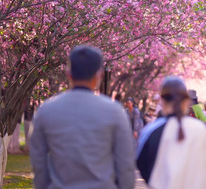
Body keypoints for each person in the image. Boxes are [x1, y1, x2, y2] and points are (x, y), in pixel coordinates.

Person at [30, 45, 135, 189]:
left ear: (68, 73)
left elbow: (39, 163)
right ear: (99, 74)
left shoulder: (46, 110)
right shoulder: (115, 112)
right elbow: (125, 165)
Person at [136, 76, 206, 189]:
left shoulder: (151, 130)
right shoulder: (202, 130)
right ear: (186, 101)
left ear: (162, 100)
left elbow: (142, 164)